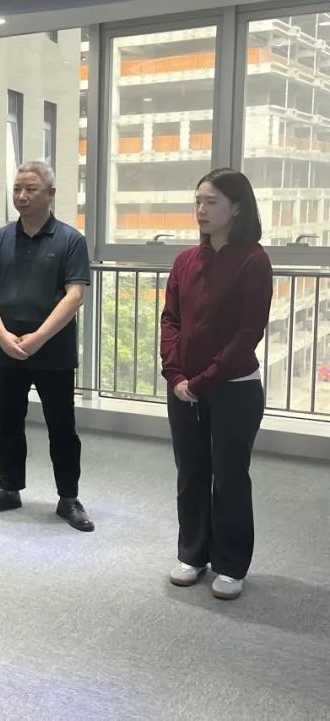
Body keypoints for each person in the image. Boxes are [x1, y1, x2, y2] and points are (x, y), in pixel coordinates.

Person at [161, 168, 272, 601]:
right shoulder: (185, 261)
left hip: (234, 386)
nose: (201, 210)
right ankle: (192, 553)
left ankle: (230, 564)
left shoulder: (253, 261)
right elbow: (171, 321)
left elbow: (247, 335)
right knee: (191, 472)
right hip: (185, 388)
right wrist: (176, 375)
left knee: (229, 476)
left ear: (237, 208)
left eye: (211, 202)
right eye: (198, 201)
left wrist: (203, 381)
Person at [0, 161, 95, 532]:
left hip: (53, 349)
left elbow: (75, 296)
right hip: (8, 347)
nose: (22, 196)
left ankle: (69, 498)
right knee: (7, 422)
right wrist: (1, 334)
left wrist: (39, 337)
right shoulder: (0, 239)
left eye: (31, 189)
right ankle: (9, 489)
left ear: (51, 193)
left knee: (62, 426)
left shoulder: (70, 240)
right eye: (17, 189)